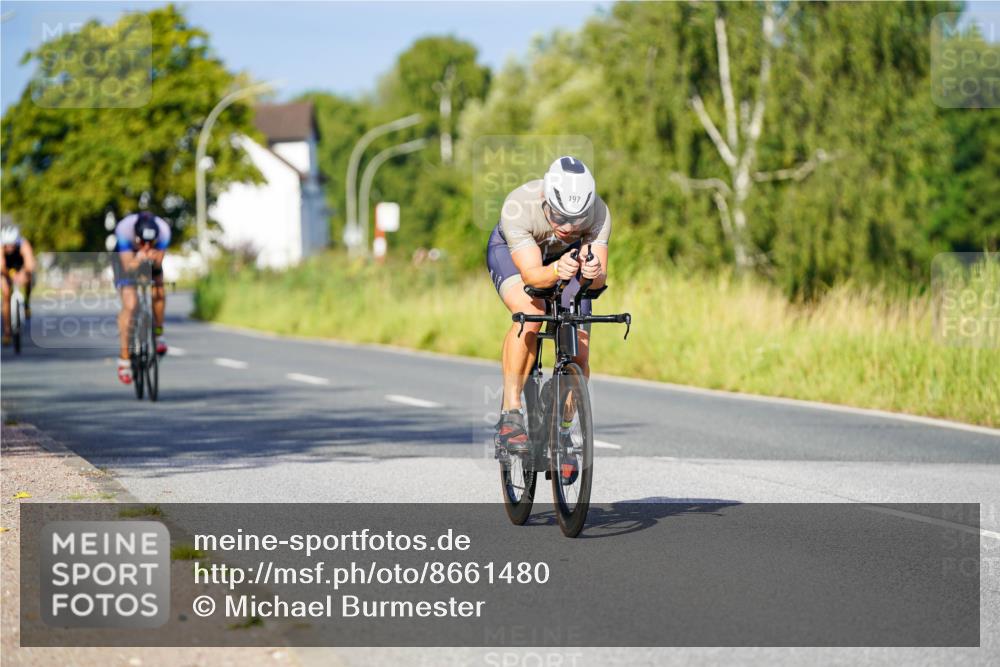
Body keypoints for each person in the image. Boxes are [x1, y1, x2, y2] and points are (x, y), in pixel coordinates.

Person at [486, 156, 611, 456]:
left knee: (579, 355)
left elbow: (598, 279)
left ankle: (564, 433)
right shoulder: (519, 206)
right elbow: (532, 276)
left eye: (578, 219)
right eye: (560, 218)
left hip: (566, 260)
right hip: (516, 255)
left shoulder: (600, 212)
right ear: (546, 201)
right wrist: (556, 271)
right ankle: (511, 414)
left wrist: (592, 275)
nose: (569, 227)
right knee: (533, 314)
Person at [113, 212, 170, 383]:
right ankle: (124, 360)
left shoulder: (164, 232)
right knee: (131, 305)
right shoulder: (124, 230)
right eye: (142, 242)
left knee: (158, 291)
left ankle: (159, 333)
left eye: (150, 243)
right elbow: (128, 267)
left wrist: (153, 259)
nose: (146, 246)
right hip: (126, 259)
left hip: (150, 261)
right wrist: (138, 259)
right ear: (135, 237)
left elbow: (158, 264)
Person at [1, 223, 36, 346]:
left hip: (21, 267)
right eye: (7, 246)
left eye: (12, 245)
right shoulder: (1, 248)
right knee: (5, 294)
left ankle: (26, 303)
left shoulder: (23, 244)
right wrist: (8, 275)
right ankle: (6, 331)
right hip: (6, 270)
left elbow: (30, 264)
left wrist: (23, 273)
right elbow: (1, 265)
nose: (9, 248)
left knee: (29, 279)